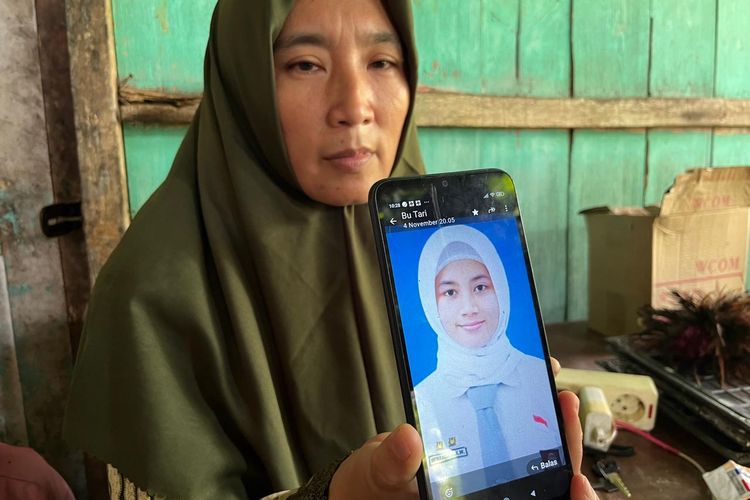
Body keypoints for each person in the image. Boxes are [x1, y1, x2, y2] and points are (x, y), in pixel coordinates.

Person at [63, 0, 598, 498]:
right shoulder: (147, 299)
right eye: (305, 65)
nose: (355, 107)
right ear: (244, 82)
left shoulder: (420, 238)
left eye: (382, 62)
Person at [414, 225, 561, 485]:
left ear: (501, 290)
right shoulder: (422, 402)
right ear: (430, 304)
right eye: (450, 292)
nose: (469, 308)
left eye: (481, 287)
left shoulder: (540, 377)